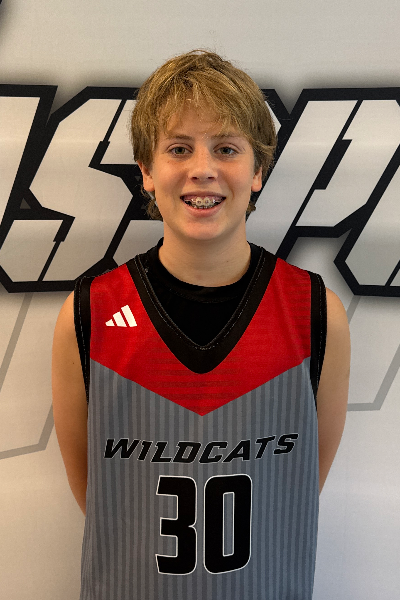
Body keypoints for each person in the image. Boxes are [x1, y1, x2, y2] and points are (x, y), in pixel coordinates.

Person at [52, 49, 350, 600]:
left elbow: (300, 485)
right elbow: (97, 494)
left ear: (258, 171)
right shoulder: (89, 313)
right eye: (179, 148)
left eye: (227, 148)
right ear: (146, 171)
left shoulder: (314, 312)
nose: (203, 168)